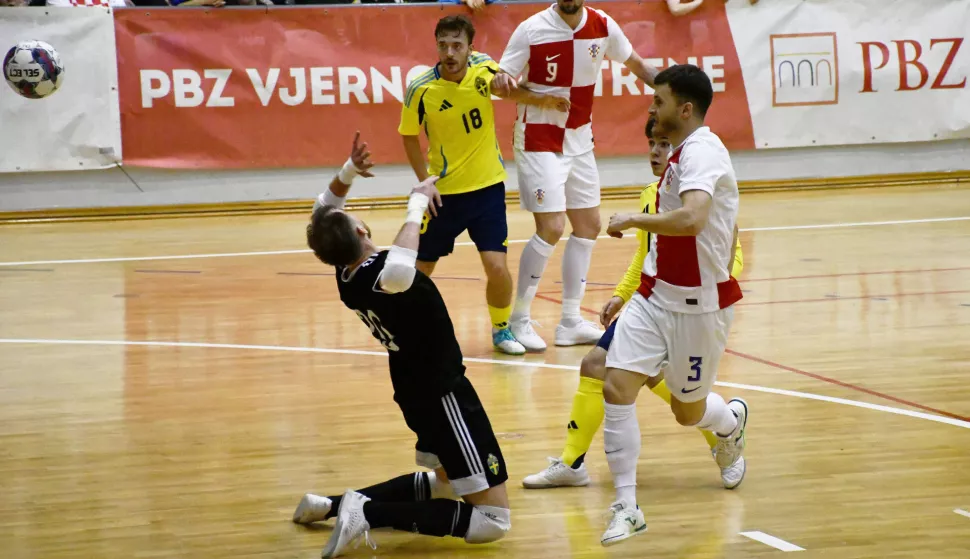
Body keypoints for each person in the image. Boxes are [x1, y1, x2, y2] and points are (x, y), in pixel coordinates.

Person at [298, 133, 511, 558]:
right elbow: (400, 267)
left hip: (413, 385)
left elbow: (324, 211)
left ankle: (332, 506)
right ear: (361, 230)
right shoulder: (384, 273)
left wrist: (349, 172)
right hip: (442, 390)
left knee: (447, 482)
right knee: (493, 522)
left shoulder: (346, 273)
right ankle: (367, 512)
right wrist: (417, 201)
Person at [521, 116, 744, 490]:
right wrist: (622, 294)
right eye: (652, 144)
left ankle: (726, 432)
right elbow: (648, 255)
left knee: (684, 406)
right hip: (654, 302)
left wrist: (706, 286)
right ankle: (573, 462)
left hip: (696, 307)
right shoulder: (652, 192)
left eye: (664, 144)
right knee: (595, 364)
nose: (657, 152)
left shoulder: (703, 185)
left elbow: (725, 254)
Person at [598, 64, 748, 547]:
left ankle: (728, 424)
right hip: (653, 294)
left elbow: (693, 219)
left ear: (685, 110)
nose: (651, 109)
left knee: (688, 412)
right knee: (616, 385)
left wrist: (635, 219)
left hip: (701, 307)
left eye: (658, 102)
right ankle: (626, 505)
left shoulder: (703, 152)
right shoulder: (680, 152)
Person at [496, 0, 663, 351]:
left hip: (580, 140)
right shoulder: (531, 29)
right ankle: (518, 320)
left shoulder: (602, 25)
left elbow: (636, 64)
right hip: (539, 139)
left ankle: (570, 321)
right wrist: (539, 99)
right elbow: (499, 85)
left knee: (588, 225)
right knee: (552, 227)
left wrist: (670, 91)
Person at [398, 15, 568, 356]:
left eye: (457, 46)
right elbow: (408, 136)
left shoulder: (483, 68)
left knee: (496, 266)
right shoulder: (421, 89)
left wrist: (544, 101)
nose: (450, 52)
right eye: (443, 45)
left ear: (469, 48)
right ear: (437, 46)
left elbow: (506, 87)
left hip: (488, 190)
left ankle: (501, 329)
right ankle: (407, 326)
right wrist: (424, 183)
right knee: (421, 269)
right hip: (444, 195)